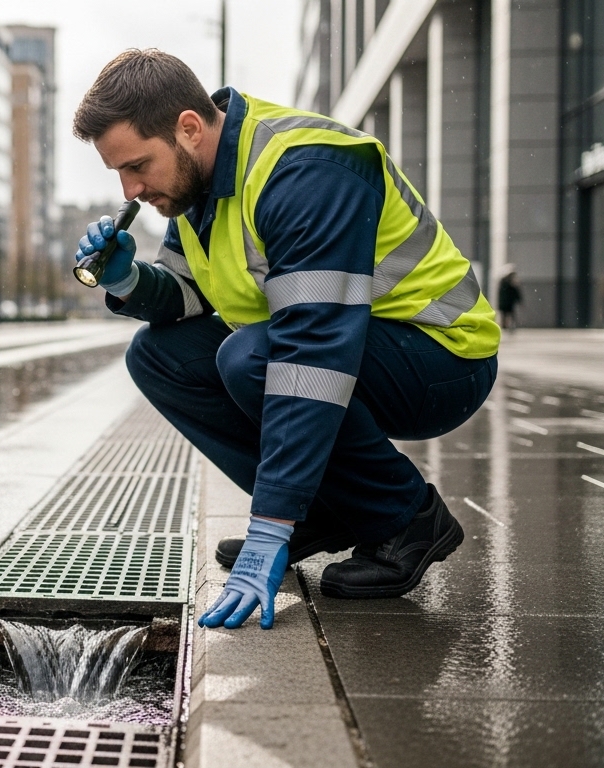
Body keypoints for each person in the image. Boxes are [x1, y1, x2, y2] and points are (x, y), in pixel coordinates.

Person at [71, 50, 499, 630]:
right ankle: (324, 514)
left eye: (137, 165)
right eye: (119, 173)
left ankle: (407, 520)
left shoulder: (304, 169)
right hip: (348, 343)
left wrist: (269, 525)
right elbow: (189, 296)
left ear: (189, 129)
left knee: (254, 357)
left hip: (443, 355)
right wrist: (127, 278)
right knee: (158, 357)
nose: (130, 188)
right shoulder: (197, 188)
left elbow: (312, 349)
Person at [497, 266, 522, 331]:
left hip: (509, 302)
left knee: (509, 314)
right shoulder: (506, 282)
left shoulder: (508, 282)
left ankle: (509, 326)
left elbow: (516, 292)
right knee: (506, 314)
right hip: (506, 302)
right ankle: (505, 326)